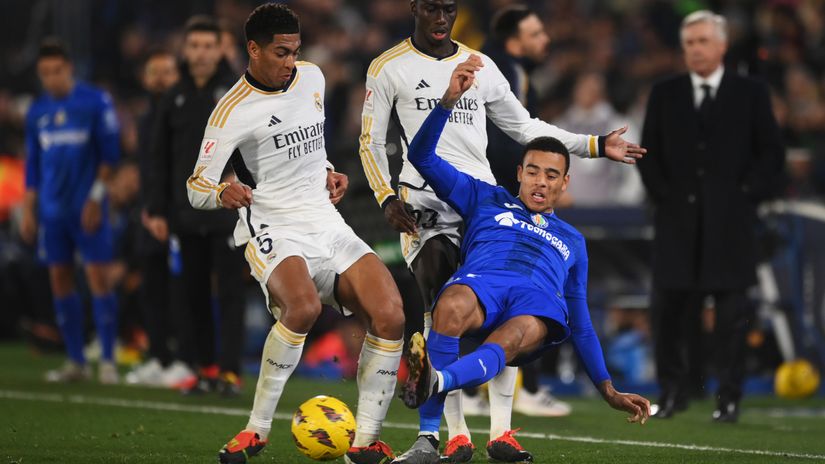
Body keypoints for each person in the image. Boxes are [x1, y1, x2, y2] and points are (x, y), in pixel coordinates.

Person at [359, 0, 644, 460]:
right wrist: (385, 196)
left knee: (513, 298)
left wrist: (593, 145)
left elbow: (525, 126)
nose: (440, 18)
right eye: (431, 8)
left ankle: (500, 432)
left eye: (449, 9)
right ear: (414, 8)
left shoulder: (483, 66)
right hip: (428, 202)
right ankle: (444, 436)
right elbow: (371, 140)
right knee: (442, 306)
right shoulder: (388, 67)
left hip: (480, 201)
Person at [185, 4, 405, 463]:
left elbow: (311, 142)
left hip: (325, 220)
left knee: (391, 315)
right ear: (253, 49)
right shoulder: (230, 112)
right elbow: (195, 186)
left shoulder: (312, 78)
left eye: (295, 51)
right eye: (281, 53)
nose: (290, 62)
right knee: (302, 307)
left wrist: (328, 170)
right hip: (273, 224)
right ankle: (256, 430)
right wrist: (222, 193)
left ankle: (364, 444)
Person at [636, 10, 784, 423]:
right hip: (676, 226)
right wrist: (665, 196)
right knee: (668, 316)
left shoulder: (751, 92)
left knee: (732, 319)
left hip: (731, 228)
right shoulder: (664, 93)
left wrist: (743, 195)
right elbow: (648, 154)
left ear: (721, 46)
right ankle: (672, 393)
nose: (695, 49)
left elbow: (772, 154)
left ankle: (729, 397)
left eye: (703, 41)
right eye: (689, 43)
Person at [145, 16, 247, 396]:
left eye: (209, 46)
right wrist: (156, 209)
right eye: (195, 46)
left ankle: (231, 372)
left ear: (220, 48)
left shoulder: (235, 91)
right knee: (194, 293)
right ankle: (205, 369)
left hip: (228, 211)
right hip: (186, 213)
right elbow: (159, 157)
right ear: (185, 51)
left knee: (231, 293)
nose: (202, 53)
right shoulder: (174, 96)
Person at [481, 4, 572, 418]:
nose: (544, 40)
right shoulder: (507, 71)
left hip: (481, 189)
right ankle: (527, 388)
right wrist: (531, 187)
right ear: (514, 41)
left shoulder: (487, 63)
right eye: (535, 34)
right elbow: (509, 137)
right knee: (529, 279)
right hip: (497, 193)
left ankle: (475, 389)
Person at [21, 39, 121, 384]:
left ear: (69, 69)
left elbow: (110, 156)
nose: (51, 78)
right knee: (60, 280)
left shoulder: (95, 101)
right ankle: (76, 360)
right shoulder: (37, 111)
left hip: (86, 207)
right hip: (51, 210)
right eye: (45, 73)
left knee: (98, 280)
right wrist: (29, 208)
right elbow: (32, 164)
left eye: (56, 71)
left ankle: (108, 360)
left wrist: (96, 198)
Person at [125, 49, 195, 388]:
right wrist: (148, 208)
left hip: (175, 215)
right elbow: (148, 170)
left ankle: (183, 358)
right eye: (154, 71)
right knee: (151, 288)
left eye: (167, 71)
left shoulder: (181, 115)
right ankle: (158, 356)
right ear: (145, 77)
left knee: (179, 290)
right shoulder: (145, 118)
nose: (161, 78)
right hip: (150, 212)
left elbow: (177, 170)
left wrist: (166, 211)